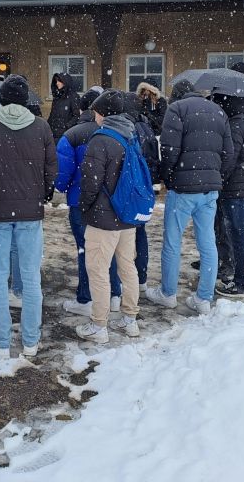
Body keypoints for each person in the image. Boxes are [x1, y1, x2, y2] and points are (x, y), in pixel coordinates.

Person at [0, 75, 57, 358]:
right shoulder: (41, 127)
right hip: (30, 211)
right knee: (31, 277)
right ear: (26, 100)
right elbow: (51, 169)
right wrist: (42, 194)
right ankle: (31, 341)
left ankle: (2, 342)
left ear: (2, 99)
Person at [145, 80, 234, 315]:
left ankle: (168, 293)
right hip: (209, 190)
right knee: (208, 243)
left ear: (176, 96)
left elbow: (169, 149)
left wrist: (168, 177)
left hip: (182, 189)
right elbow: (229, 153)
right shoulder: (218, 111)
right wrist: (217, 176)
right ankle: (203, 298)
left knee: (172, 242)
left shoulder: (177, 109)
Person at [76, 90, 141, 344]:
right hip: (127, 214)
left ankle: (99, 325)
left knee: (98, 270)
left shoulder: (100, 139)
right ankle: (130, 319)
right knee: (127, 266)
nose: (94, 116)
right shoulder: (130, 135)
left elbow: (91, 182)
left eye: (96, 112)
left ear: (103, 113)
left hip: (104, 218)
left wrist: (85, 207)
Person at [55, 86, 123, 316]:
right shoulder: (119, 133)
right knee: (109, 249)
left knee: (86, 250)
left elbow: (62, 175)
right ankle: (114, 294)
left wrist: (63, 187)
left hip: (80, 201)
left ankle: (86, 298)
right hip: (112, 201)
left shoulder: (71, 135)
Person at [212, 93, 244, 298]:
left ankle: (242, 284)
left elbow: (230, 158)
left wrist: (219, 179)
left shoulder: (236, 125)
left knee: (239, 235)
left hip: (235, 188)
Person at [122, 92, 160, 292]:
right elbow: (154, 157)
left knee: (125, 236)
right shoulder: (146, 125)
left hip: (130, 188)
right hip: (144, 187)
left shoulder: (127, 129)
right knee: (140, 232)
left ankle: (127, 279)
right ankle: (141, 277)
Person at [47, 72, 80, 142]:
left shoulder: (73, 97)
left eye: (59, 81)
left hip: (66, 135)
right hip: (53, 134)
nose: (57, 83)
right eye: (56, 81)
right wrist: (47, 126)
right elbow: (52, 115)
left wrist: (66, 127)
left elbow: (77, 116)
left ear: (65, 82)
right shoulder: (57, 97)